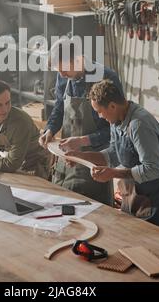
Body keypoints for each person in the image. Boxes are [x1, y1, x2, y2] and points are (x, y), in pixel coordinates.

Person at [62, 79, 159, 230]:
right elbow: (113, 154)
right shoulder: (116, 120)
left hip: (156, 193)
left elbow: (154, 169)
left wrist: (113, 173)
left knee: (152, 244)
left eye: (100, 111)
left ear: (113, 106)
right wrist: (80, 156)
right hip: (134, 191)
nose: (100, 116)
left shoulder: (139, 125)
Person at [39, 37, 124, 204]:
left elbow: (116, 129)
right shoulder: (63, 76)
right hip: (67, 157)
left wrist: (83, 140)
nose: (61, 75)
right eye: (58, 71)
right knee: (62, 205)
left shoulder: (106, 77)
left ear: (77, 59)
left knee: (93, 211)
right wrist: (50, 129)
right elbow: (59, 107)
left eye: (64, 69)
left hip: (93, 162)